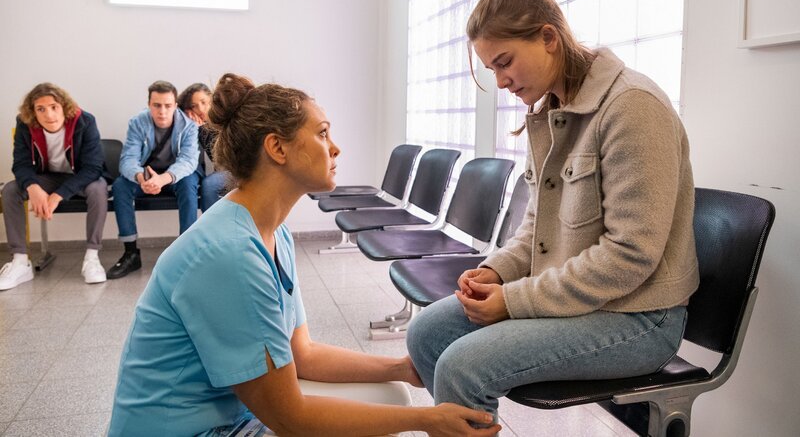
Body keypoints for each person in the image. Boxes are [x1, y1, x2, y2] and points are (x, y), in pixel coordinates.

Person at [108, 73, 500, 437]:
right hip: (191, 431)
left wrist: (401, 368)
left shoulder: (271, 231)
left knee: (394, 392)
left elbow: (303, 355)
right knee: (392, 415)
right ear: (277, 147)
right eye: (323, 134)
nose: (336, 148)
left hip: (228, 415)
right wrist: (426, 421)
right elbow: (288, 417)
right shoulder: (229, 254)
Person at [406, 0, 700, 422]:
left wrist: (516, 300)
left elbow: (631, 254)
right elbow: (534, 228)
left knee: (463, 367)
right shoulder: (551, 114)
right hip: (589, 300)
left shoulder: (633, 108)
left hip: (641, 316)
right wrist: (498, 273)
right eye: (491, 68)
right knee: (426, 332)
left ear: (548, 37)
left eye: (504, 62)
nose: (500, 81)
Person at [0, 83, 108, 289]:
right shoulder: (25, 124)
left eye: (54, 107)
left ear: (63, 107)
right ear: (33, 112)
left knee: (98, 188)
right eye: (41, 109)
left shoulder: (85, 121)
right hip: (46, 178)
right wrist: (33, 188)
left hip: (80, 178)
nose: (49, 114)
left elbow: (93, 168)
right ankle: (20, 261)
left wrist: (57, 196)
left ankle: (92, 258)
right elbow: (21, 164)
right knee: (11, 189)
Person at [107, 80, 199, 280]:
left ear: (175, 105)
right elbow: (128, 159)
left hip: (174, 177)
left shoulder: (189, 126)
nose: (162, 111)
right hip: (146, 176)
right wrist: (142, 178)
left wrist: (163, 179)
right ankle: (131, 253)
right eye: (157, 105)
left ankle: (187, 253)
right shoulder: (137, 123)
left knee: (189, 183)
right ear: (149, 105)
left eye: (168, 106)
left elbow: (188, 161)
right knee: (120, 186)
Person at [177, 82, 229, 212]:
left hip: (239, 168)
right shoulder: (198, 127)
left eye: (203, 102)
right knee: (209, 183)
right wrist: (193, 128)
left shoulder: (224, 117)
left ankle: (210, 229)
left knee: (209, 184)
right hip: (222, 172)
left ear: (212, 100)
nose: (200, 109)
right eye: (194, 106)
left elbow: (225, 156)